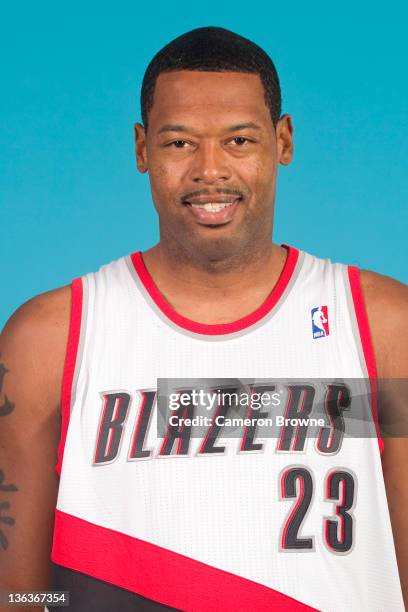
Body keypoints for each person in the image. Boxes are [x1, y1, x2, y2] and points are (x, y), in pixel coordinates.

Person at [1, 26, 407, 612]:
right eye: (179, 144)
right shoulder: (50, 340)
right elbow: (19, 595)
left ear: (283, 140)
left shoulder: (382, 327)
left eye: (239, 140)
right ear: (141, 149)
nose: (209, 170)